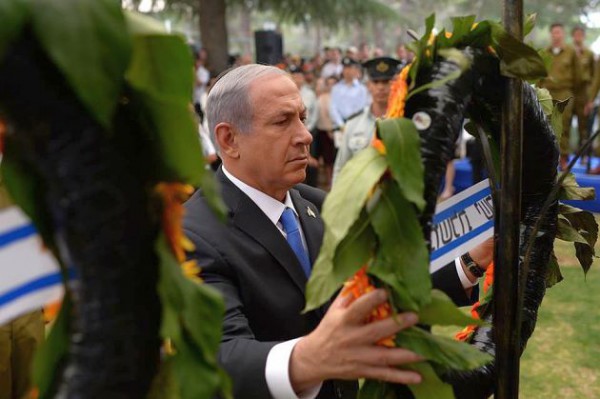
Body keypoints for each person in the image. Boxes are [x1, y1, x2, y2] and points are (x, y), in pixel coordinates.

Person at [184, 64, 492, 399]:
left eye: (302, 117)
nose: (305, 135)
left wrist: (472, 262)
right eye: (282, 121)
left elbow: (380, 289)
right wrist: (307, 360)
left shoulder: (321, 207)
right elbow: (218, 356)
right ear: (229, 139)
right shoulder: (195, 232)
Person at [332, 57, 400, 182]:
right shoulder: (353, 124)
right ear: (369, 85)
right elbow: (340, 168)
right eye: (376, 82)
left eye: (386, 82)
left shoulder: (404, 124)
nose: (381, 87)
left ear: (395, 84)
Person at [538, 22, 582, 169]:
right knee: (546, 125)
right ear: (551, 34)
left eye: (559, 32)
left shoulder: (571, 52)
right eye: (554, 33)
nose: (556, 35)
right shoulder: (544, 52)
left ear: (563, 34)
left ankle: (563, 158)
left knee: (563, 126)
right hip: (547, 93)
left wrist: (574, 94)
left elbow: (578, 75)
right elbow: (539, 74)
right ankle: (548, 159)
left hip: (565, 92)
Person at [571, 25, 595, 156]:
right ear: (572, 36)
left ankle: (584, 154)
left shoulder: (589, 54)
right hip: (570, 91)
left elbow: (593, 76)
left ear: (584, 37)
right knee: (565, 123)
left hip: (583, 93)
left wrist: (590, 98)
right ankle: (563, 155)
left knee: (583, 126)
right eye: (576, 34)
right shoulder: (568, 51)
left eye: (580, 35)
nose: (578, 37)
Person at [329, 57, 369, 137]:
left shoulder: (362, 89)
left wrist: (353, 124)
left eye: (350, 68)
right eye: (345, 68)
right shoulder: (336, 88)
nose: (347, 71)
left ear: (356, 70)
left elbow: (364, 108)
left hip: (357, 126)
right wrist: (341, 124)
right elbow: (333, 108)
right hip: (340, 126)